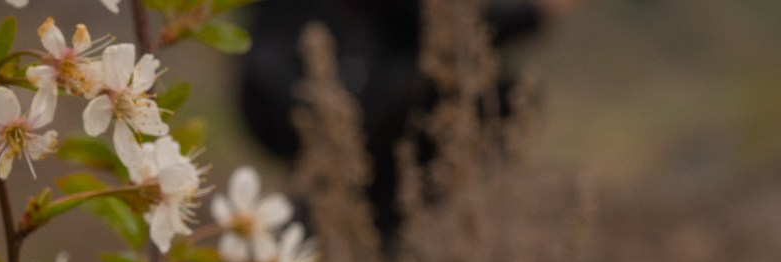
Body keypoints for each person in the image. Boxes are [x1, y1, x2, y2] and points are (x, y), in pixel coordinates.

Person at [237, 0, 572, 241]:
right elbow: (443, 33)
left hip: (317, 97)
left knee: (497, 98)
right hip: (295, 100)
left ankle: (369, 218)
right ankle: (336, 212)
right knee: (425, 88)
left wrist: (533, 13)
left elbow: (437, 29)